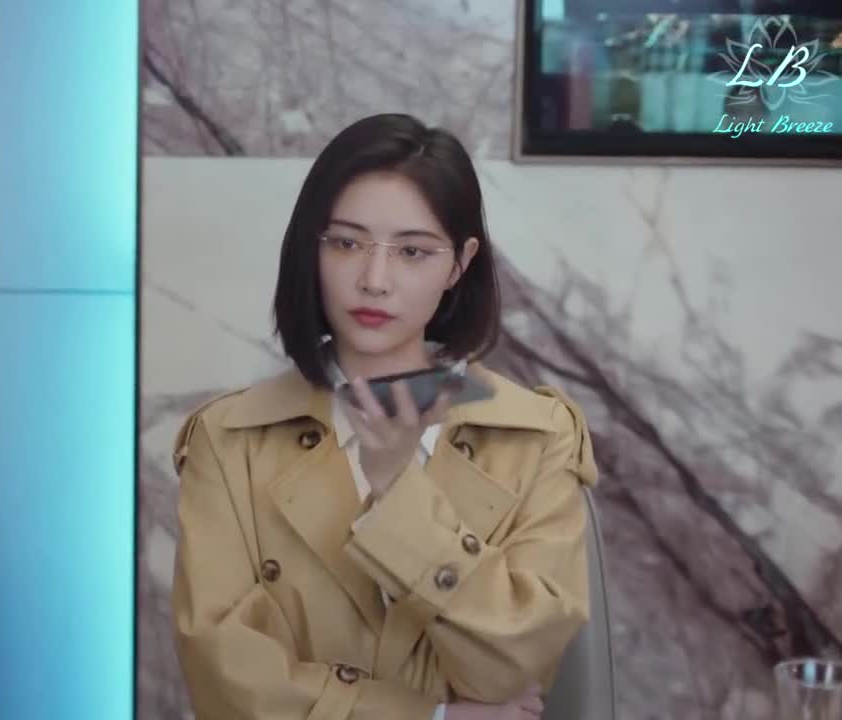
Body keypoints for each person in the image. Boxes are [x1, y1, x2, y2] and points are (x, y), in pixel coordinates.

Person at [169, 113, 599, 720]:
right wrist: (435, 718)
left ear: (459, 263)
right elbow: (228, 680)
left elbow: (513, 663)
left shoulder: (536, 437)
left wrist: (399, 488)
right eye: (346, 243)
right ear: (311, 248)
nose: (374, 281)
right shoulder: (229, 440)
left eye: (413, 252)